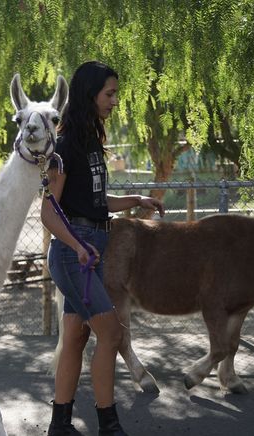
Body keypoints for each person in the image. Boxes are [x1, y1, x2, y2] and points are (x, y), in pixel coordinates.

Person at [41, 61, 164, 436]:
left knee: (77, 337)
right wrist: (76, 245)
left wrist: (135, 199)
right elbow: (49, 210)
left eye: (115, 94)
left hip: (88, 250)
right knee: (110, 334)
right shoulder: (64, 146)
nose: (114, 101)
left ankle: (60, 424)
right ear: (89, 94)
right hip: (73, 254)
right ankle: (108, 424)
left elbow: (94, 201)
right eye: (109, 94)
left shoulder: (90, 141)